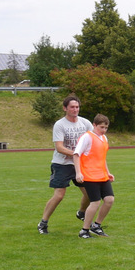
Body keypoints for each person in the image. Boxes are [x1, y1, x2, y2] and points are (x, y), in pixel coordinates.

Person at [38, 95, 92, 234]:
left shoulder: (85, 123)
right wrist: (76, 153)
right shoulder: (60, 124)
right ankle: (43, 223)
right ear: (65, 108)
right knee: (59, 195)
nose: (75, 110)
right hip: (62, 163)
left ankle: (81, 213)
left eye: (77, 107)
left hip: (80, 164)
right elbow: (59, 147)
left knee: (90, 193)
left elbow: (93, 140)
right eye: (72, 107)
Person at [73, 114, 115, 239]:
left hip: (102, 175)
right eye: (101, 127)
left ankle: (96, 226)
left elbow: (102, 158)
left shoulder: (104, 138)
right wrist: (78, 173)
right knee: (95, 202)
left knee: (109, 200)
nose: (104, 130)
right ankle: (84, 230)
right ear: (94, 125)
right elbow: (76, 155)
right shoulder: (87, 137)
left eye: (106, 128)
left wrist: (107, 172)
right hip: (90, 176)